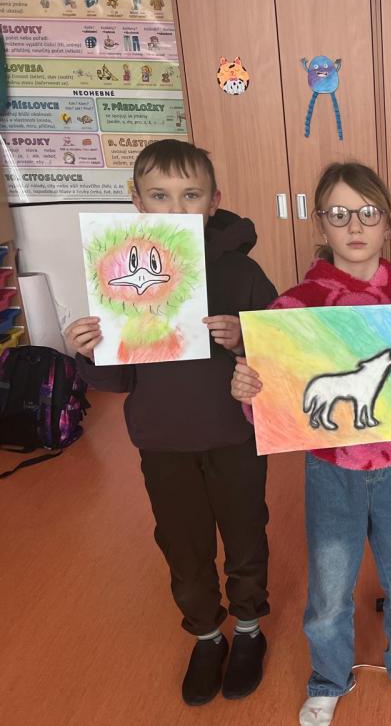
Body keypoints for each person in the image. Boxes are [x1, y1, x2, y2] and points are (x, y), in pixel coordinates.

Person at [230, 162, 391, 726]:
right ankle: (328, 677)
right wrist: (250, 391)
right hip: (331, 469)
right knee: (329, 586)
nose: (355, 226)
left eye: (368, 212)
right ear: (321, 223)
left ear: (388, 223)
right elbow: (273, 402)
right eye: (339, 214)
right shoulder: (293, 309)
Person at [63, 139, 276, 706]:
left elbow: (283, 353)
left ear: (213, 201)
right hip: (161, 440)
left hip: (234, 434)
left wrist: (245, 339)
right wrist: (89, 351)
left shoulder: (241, 271)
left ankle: (249, 628)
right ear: (136, 201)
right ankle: (206, 635)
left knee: (246, 533)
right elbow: (115, 380)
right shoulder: (120, 270)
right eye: (160, 196)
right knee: (182, 544)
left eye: (190, 196)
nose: (176, 209)